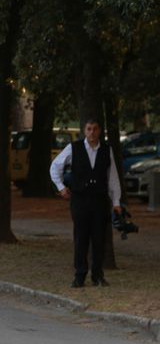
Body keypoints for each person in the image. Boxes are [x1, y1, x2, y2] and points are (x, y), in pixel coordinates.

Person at [50, 118, 122, 288]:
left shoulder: (106, 150)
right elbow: (55, 167)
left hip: (99, 200)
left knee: (99, 239)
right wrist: (61, 187)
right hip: (80, 200)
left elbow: (113, 178)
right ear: (84, 131)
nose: (92, 133)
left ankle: (98, 275)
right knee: (81, 237)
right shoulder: (73, 148)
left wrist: (116, 201)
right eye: (89, 129)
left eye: (95, 129)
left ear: (99, 131)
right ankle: (79, 275)